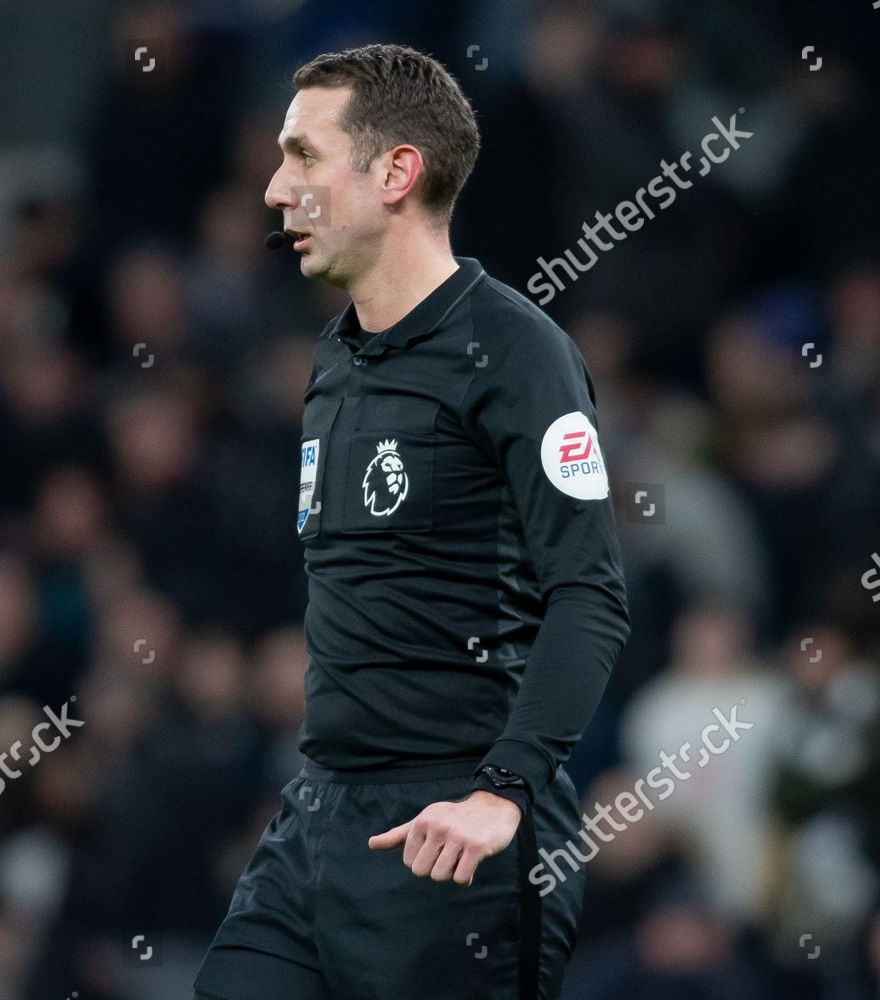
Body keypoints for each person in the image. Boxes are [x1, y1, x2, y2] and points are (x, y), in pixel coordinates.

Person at [193, 43, 630, 1000]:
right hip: (315, 821)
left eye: (304, 156)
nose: (274, 189)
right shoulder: (334, 360)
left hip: (452, 836)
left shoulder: (518, 352)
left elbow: (590, 594)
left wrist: (502, 793)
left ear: (396, 172)